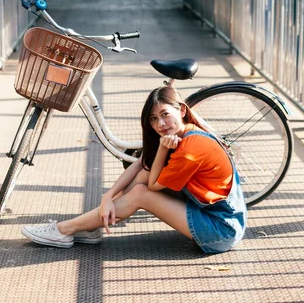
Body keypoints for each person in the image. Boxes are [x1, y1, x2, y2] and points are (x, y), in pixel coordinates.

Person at [21, 86, 247, 253]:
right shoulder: (184, 134)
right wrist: (107, 197)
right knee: (142, 174)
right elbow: (142, 165)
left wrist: (160, 149)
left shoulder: (190, 147)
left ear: (182, 111)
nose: (160, 124)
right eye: (154, 118)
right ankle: (91, 226)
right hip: (216, 216)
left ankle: (64, 230)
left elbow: (153, 186)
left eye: (166, 114)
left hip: (221, 231)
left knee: (141, 193)